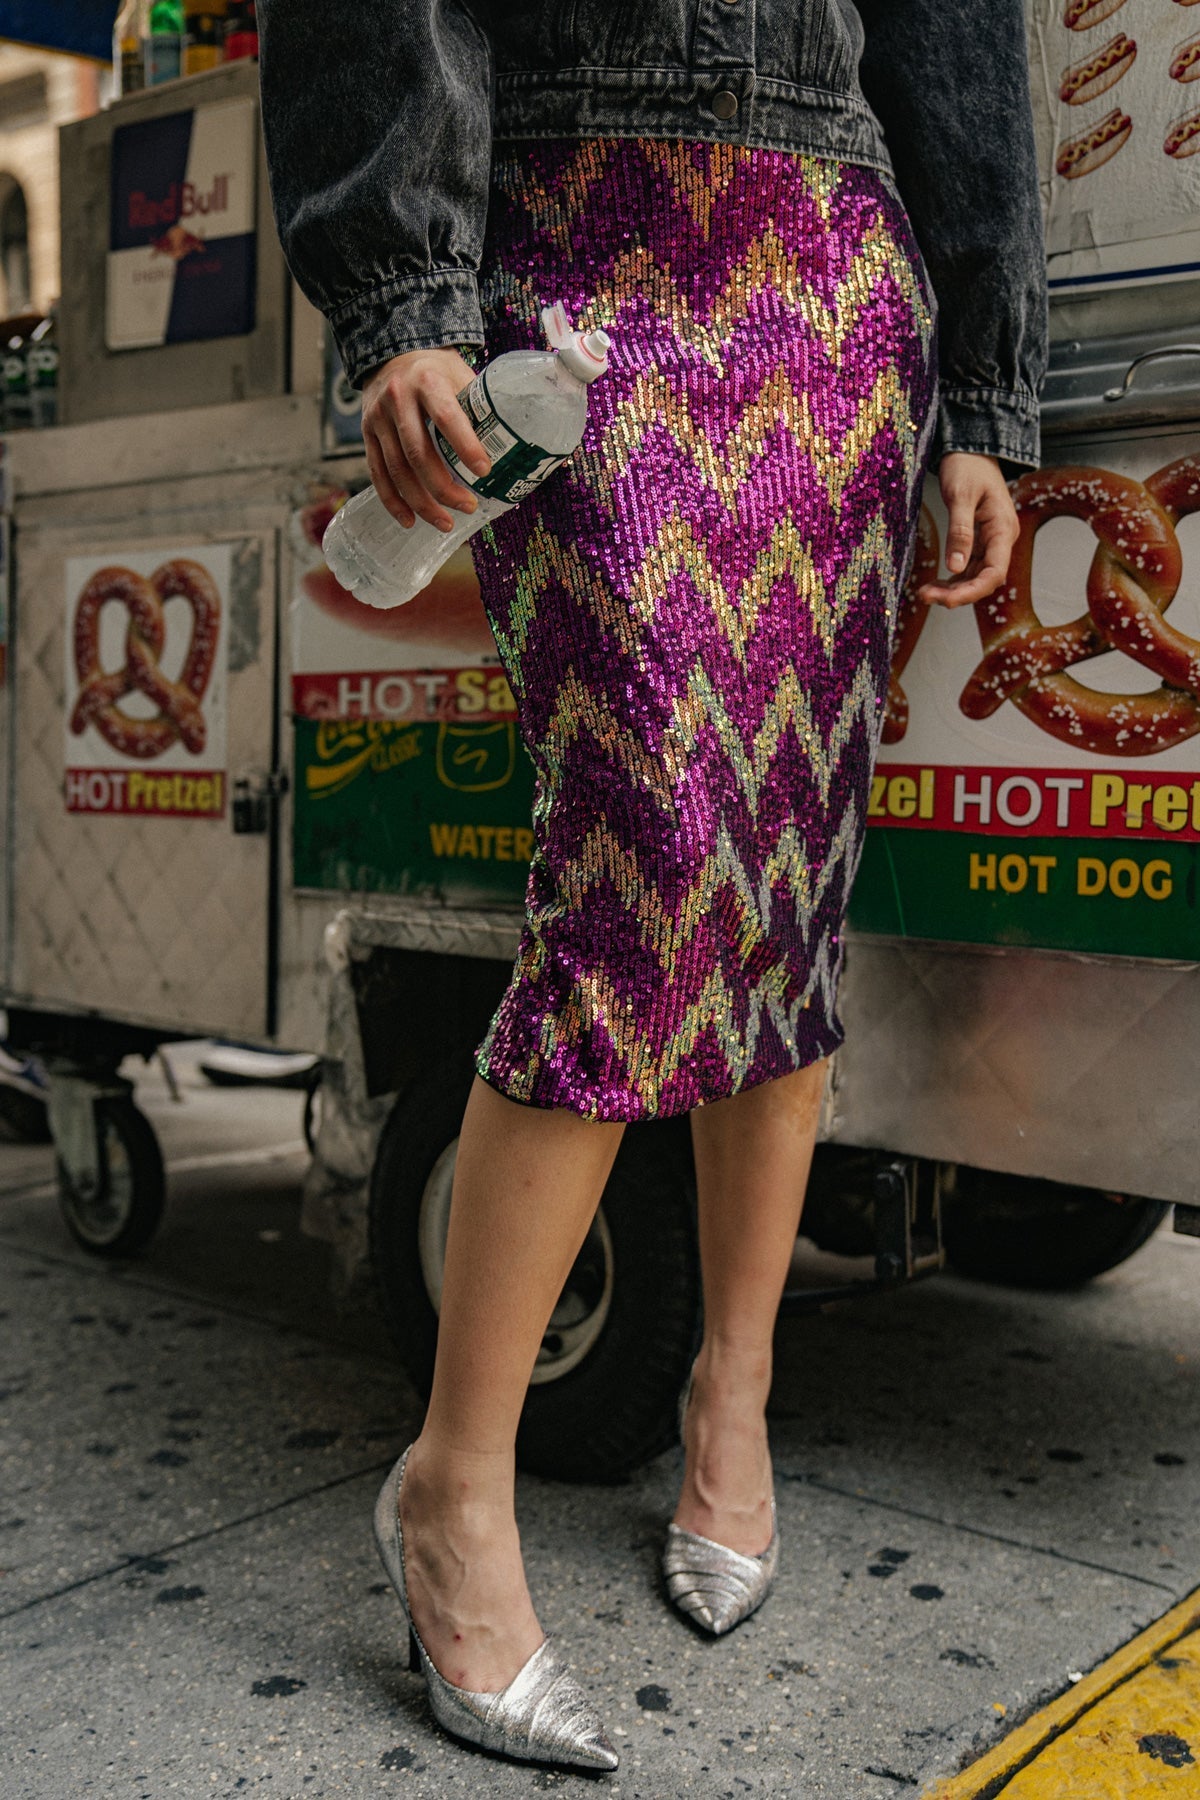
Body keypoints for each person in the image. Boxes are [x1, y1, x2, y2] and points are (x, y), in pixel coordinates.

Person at [258, 0, 1047, 1773]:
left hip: (840, 277)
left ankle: (735, 1395)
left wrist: (983, 392)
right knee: (652, 865)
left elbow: (957, 30)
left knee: (788, 880)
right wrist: (401, 287)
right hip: (579, 241)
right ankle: (453, 1491)